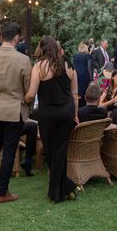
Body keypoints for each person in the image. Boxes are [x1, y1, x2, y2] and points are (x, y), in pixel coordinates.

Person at [0, 22, 32, 203]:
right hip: (13, 110)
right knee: (9, 150)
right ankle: (2, 192)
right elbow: (28, 89)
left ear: (1, 37)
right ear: (16, 37)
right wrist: (26, 103)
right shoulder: (23, 60)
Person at [26, 35, 79, 203]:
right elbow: (75, 94)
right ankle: (67, 186)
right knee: (60, 151)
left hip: (48, 114)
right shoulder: (68, 65)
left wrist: (24, 99)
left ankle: (55, 193)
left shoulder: (39, 67)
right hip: (66, 112)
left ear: (42, 49)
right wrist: (75, 114)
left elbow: (31, 94)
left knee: (50, 150)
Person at [72, 42, 93, 107]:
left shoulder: (75, 56)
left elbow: (74, 67)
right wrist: (91, 79)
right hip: (85, 75)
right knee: (85, 92)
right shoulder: (88, 56)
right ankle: (84, 107)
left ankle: (78, 108)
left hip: (76, 75)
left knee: (78, 92)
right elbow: (89, 67)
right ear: (86, 48)